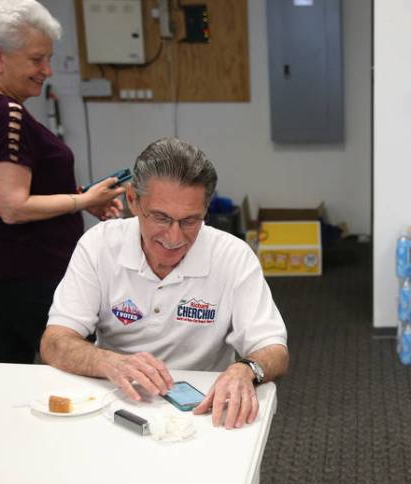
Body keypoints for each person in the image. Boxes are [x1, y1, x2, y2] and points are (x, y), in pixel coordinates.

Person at [40, 137, 289, 429]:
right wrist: (107, 361)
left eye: (190, 221)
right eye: (160, 217)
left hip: (202, 409)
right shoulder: (99, 245)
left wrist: (245, 370)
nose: (174, 238)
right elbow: (54, 342)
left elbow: (273, 349)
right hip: (114, 400)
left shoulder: (232, 256)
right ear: (132, 200)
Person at [0, 0, 125, 364]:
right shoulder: (6, 114)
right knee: (79, 361)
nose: (46, 70)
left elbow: (16, 193)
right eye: (36, 59)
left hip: (1, 267)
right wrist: (83, 202)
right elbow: (12, 206)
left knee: (6, 367)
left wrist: (82, 198)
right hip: (26, 270)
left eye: (48, 58)